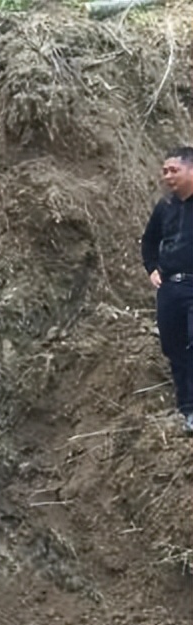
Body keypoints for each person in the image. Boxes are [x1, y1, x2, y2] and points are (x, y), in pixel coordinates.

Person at [141, 146, 193, 436]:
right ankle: (187, 409)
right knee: (173, 346)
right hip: (171, 287)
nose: (167, 176)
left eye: (174, 170)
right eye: (165, 171)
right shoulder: (165, 207)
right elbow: (149, 241)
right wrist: (152, 268)